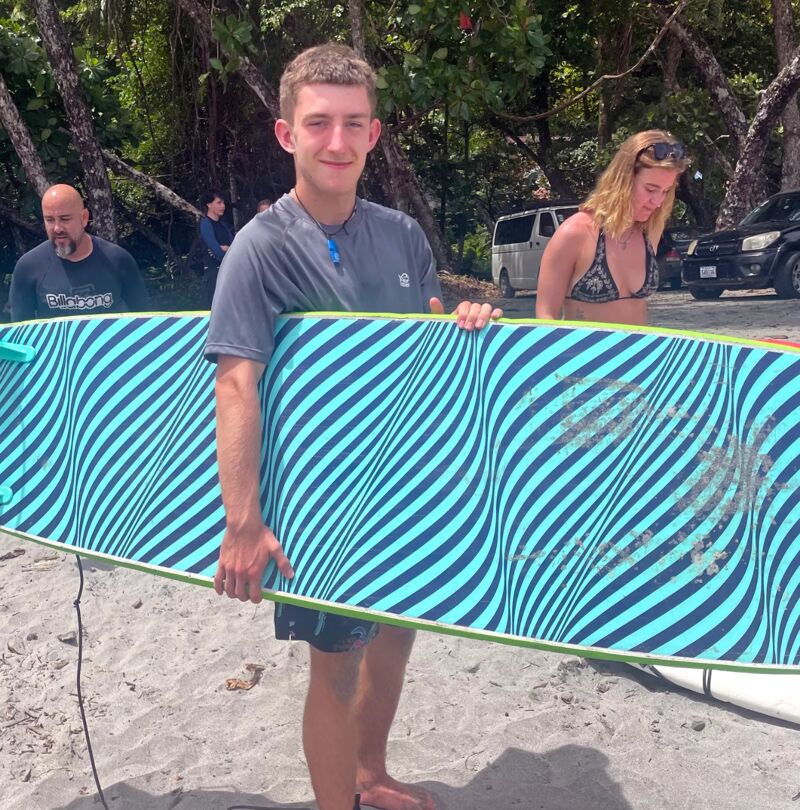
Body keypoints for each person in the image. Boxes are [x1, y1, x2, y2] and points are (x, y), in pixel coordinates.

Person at [204, 43, 500, 810]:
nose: (337, 142)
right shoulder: (259, 251)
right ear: (287, 134)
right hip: (321, 505)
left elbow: (426, 350)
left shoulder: (402, 234)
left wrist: (466, 323)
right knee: (334, 663)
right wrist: (243, 520)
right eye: (319, 124)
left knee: (396, 634)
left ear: (374, 134)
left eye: (354, 124)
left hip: (402, 490)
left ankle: (369, 775)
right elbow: (236, 383)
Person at [535, 130, 690, 325]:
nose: (657, 202)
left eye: (665, 191)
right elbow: (544, 318)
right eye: (650, 189)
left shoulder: (649, 229)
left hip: (638, 354)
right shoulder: (575, 233)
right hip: (584, 354)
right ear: (622, 180)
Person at [10, 184, 148, 321]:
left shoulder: (118, 260)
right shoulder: (28, 267)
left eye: (65, 219)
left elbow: (144, 322)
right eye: (50, 220)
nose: (57, 228)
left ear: (84, 218)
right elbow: (20, 334)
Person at [198, 190, 234, 308]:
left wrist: (226, 249)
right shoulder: (206, 223)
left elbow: (236, 249)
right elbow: (216, 252)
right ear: (209, 204)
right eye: (219, 203)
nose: (223, 206)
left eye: (223, 203)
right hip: (213, 275)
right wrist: (224, 250)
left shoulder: (223, 225)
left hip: (228, 274)